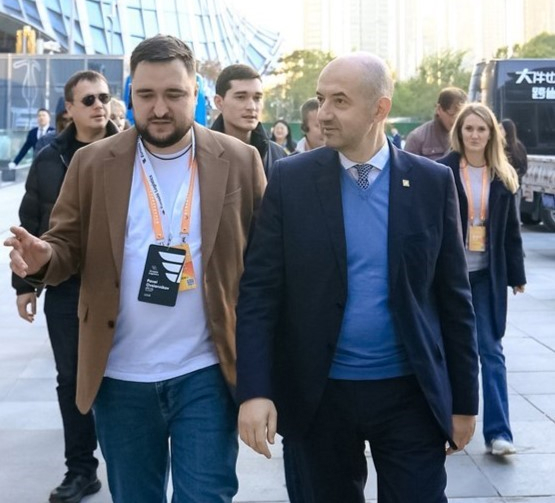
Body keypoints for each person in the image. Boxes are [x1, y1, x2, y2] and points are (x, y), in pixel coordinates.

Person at [5, 34, 266, 503]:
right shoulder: (92, 163)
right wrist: (43, 260)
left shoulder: (241, 161)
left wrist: (263, 380)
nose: (159, 108)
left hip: (206, 373)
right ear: (130, 95)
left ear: (196, 94)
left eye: (174, 94)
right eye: (146, 95)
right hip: (120, 378)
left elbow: (265, 270)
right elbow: (65, 246)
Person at [235, 52, 480, 502]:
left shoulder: (432, 183)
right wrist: (254, 391)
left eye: (340, 101)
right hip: (318, 396)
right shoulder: (290, 180)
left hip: (410, 395)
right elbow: (259, 294)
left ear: (379, 109)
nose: (323, 113)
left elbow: (454, 299)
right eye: (320, 99)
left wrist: (464, 402)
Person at [13, 70, 118, 503]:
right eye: (88, 100)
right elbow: (32, 221)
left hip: (121, 286)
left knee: (122, 378)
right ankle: (81, 469)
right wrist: (24, 284)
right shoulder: (49, 158)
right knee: (72, 379)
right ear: (69, 108)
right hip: (66, 286)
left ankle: (128, 462)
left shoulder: (132, 151)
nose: (98, 106)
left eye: (104, 98)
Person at [437, 103, 526, 457]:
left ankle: (499, 433)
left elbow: (511, 232)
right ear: (459, 132)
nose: (475, 135)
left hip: (488, 275)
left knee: (491, 350)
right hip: (450, 277)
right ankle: (445, 426)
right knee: (447, 351)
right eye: (469, 128)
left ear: (491, 135)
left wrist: (516, 275)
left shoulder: (503, 176)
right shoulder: (441, 171)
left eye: (481, 129)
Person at [211, 63, 287, 178]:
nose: (251, 107)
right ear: (219, 102)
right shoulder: (200, 153)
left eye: (257, 98)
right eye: (241, 97)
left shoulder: (278, 156)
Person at [404, 87, 467, 160]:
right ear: (439, 109)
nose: (457, 121)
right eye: (454, 115)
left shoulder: (469, 136)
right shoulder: (417, 139)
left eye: (462, 116)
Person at [501, 118, 528, 224]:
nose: (498, 131)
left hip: (513, 187)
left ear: (507, 130)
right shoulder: (497, 146)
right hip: (499, 187)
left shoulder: (518, 147)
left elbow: (523, 167)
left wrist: (512, 177)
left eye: (501, 128)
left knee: (513, 216)